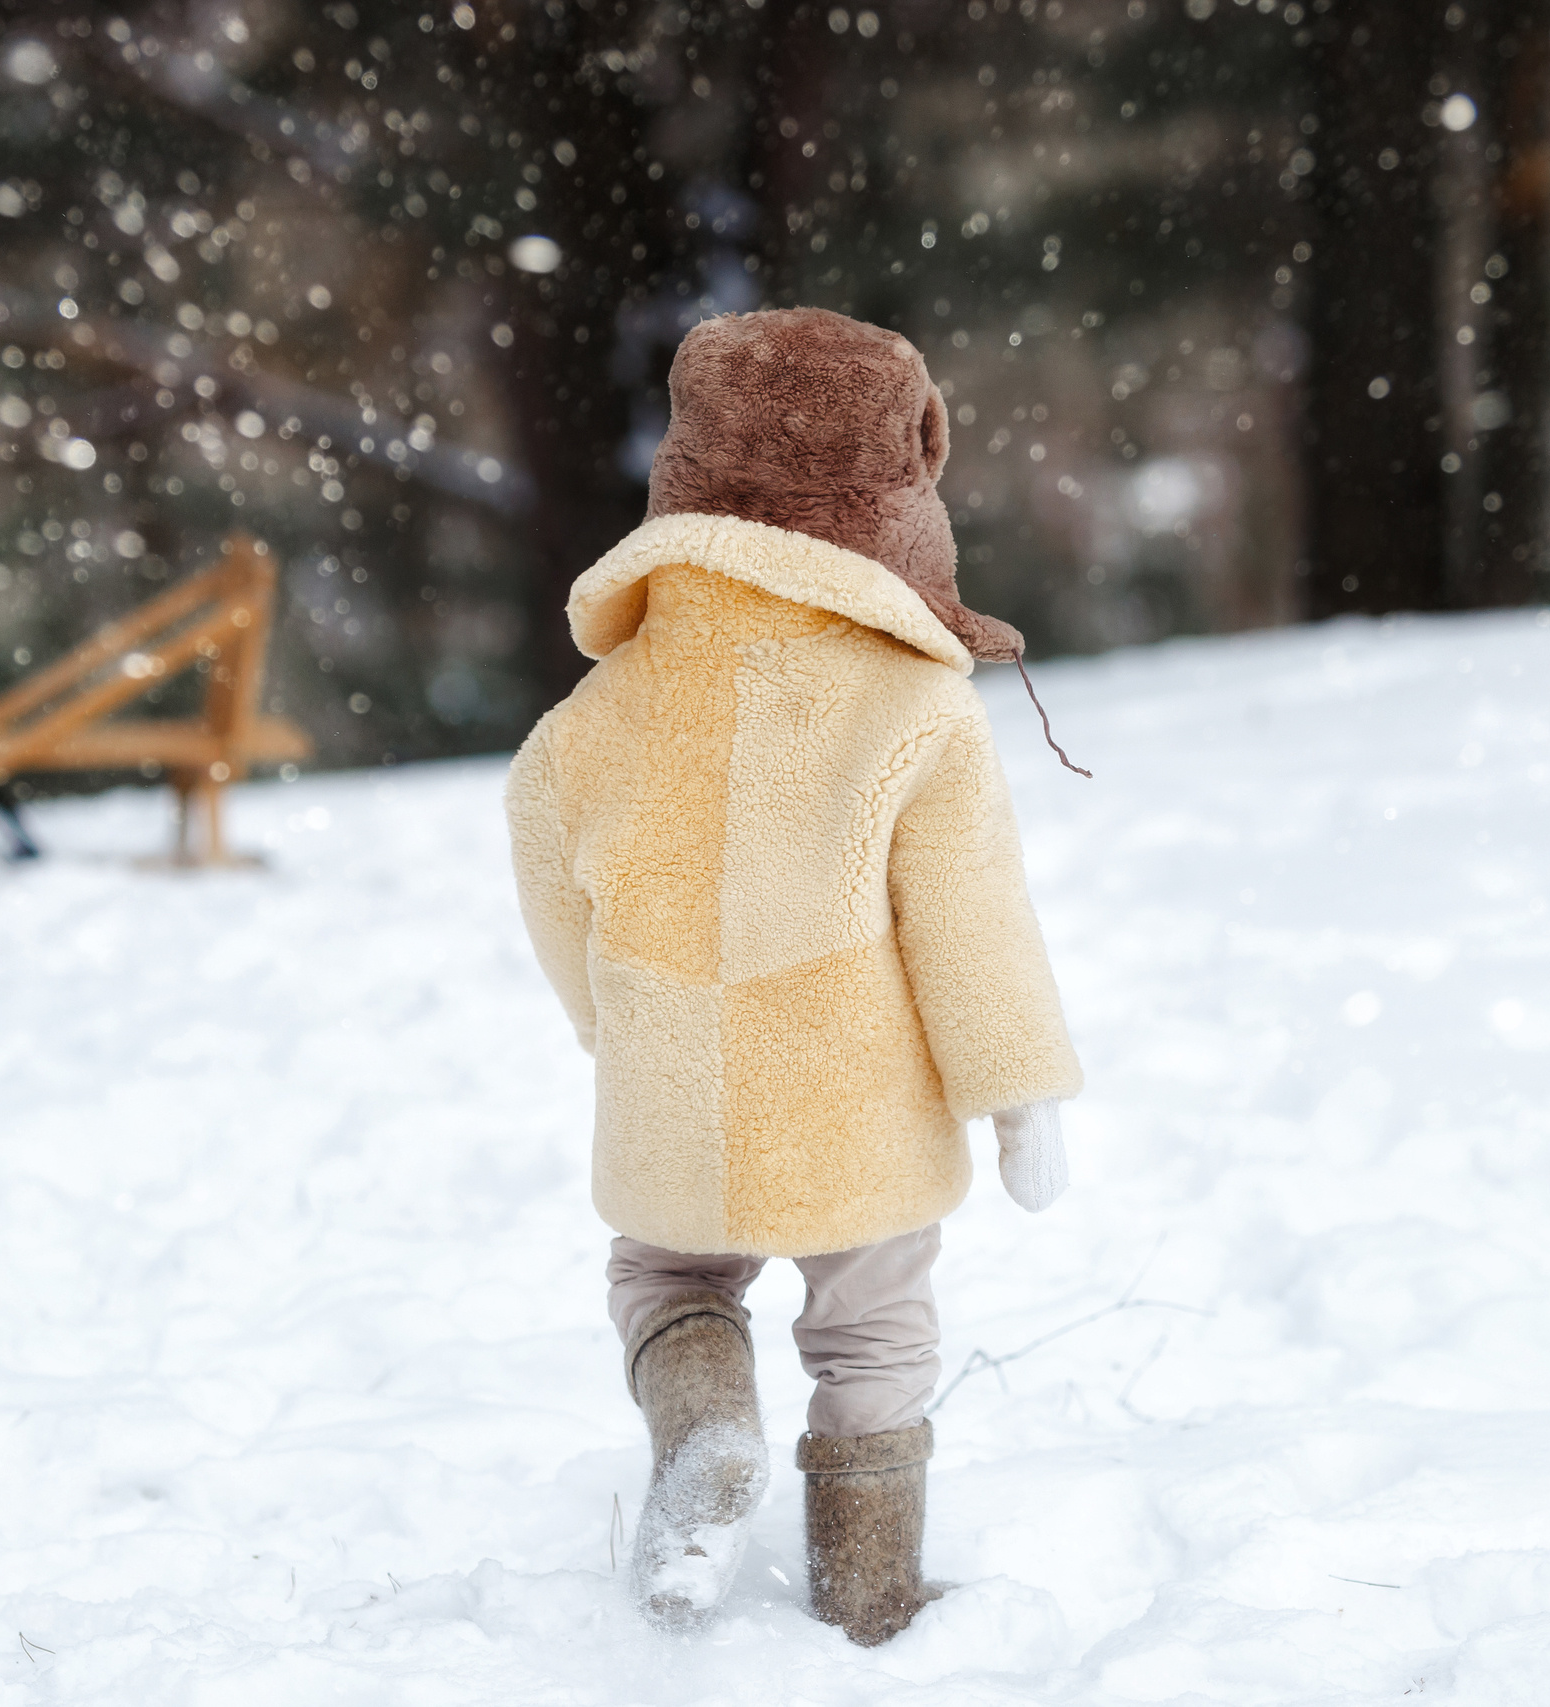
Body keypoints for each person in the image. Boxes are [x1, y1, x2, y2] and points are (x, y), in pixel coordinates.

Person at [504, 306, 1083, 1645]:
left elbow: (550, 887)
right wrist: (1021, 1092)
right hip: (852, 1097)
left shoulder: (593, 716)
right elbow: (967, 915)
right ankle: (872, 1598)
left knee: (670, 1280)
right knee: (872, 1330)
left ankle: (705, 1428)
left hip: (672, 1086)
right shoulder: (909, 708)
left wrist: (618, 1026)